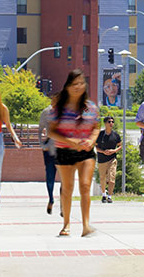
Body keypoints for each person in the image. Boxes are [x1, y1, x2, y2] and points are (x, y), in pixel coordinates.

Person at [47, 69, 100, 237]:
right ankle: (66, 224)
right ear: (68, 87)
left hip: (86, 152)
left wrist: (91, 140)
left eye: (81, 83)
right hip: (65, 151)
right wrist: (71, 142)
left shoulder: (91, 107)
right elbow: (51, 132)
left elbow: (96, 127)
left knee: (85, 186)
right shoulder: (59, 108)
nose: (78, 87)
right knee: (67, 188)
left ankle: (86, 225)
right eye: (74, 84)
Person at [96, 116, 121, 203]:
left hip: (112, 159)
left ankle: (109, 196)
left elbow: (120, 145)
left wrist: (114, 150)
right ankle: (103, 195)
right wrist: (103, 151)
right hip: (102, 159)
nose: (111, 123)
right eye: (109, 122)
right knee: (102, 178)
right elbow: (95, 146)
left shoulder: (116, 135)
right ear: (105, 123)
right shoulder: (100, 135)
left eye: (112, 122)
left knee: (112, 177)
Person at [38, 103, 57, 214]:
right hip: (49, 147)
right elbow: (40, 129)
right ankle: (51, 199)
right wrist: (43, 145)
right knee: (50, 175)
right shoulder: (46, 112)